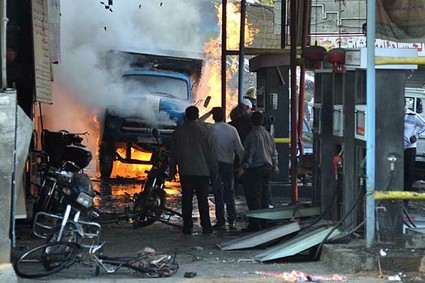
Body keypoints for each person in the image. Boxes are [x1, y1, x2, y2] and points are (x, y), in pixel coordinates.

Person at [169, 106, 218, 234]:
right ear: (197, 116)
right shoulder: (206, 132)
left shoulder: (178, 132)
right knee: (203, 200)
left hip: (186, 172)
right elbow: (211, 154)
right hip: (203, 172)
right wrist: (214, 170)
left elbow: (173, 154)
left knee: (186, 200)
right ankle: (206, 226)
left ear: (186, 116)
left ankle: (187, 226)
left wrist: (172, 170)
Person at [237, 111, 279, 231]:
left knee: (254, 197)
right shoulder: (268, 135)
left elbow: (250, 153)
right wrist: (275, 165)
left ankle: (255, 225)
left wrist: (244, 167)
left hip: (256, 169)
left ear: (251, 122)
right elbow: (274, 152)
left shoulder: (252, 135)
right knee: (264, 196)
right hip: (268, 169)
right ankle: (264, 222)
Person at [210, 107, 244, 230]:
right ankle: (232, 218)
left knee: (217, 192)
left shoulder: (210, 129)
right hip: (228, 165)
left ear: (213, 117)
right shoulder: (232, 130)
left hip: (214, 165)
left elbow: (197, 122)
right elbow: (240, 150)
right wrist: (242, 165)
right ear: (224, 116)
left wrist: (208, 113)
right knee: (229, 192)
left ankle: (220, 220)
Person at [404, 103, 425, 194]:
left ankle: (406, 196)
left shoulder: (413, 116)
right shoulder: (394, 115)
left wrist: (417, 135)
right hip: (397, 147)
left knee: (408, 172)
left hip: (409, 148)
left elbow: (424, 125)